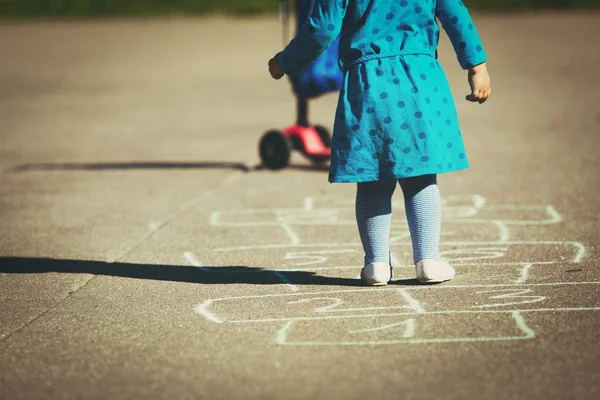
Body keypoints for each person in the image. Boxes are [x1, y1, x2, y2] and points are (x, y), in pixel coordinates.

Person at [268, 0, 491, 285]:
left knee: (373, 177)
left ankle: (375, 264)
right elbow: (456, 16)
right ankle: (428, 260)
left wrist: (284, 62)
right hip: (420, 81)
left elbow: (320, 29)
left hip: (367, 84)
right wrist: (477, 65)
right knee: (420, 178)